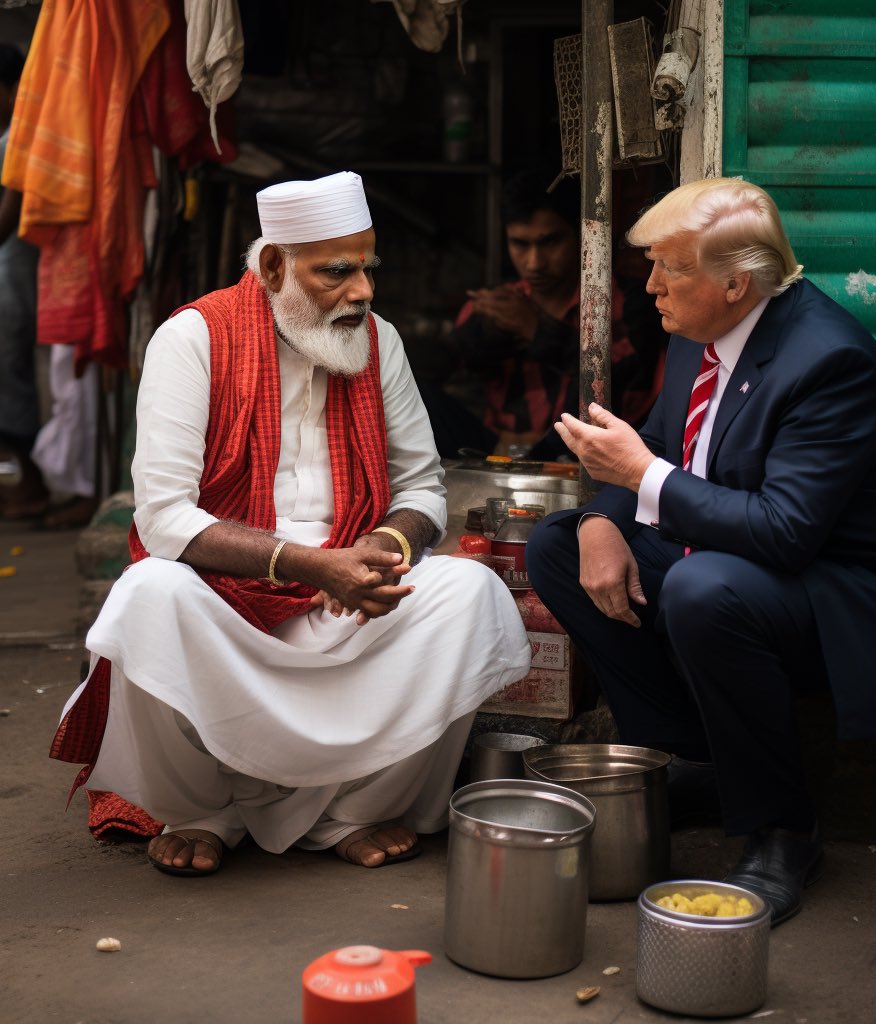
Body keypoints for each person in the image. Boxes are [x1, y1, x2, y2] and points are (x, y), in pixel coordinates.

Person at [50, 171, 533, 876]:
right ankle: (202, 813)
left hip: (349, 601)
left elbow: (423, 487)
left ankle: (352, 812)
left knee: (471, 594)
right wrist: (310, 565)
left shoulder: (380, 341)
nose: (362, 290)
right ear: (274, 266)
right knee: (147, 596)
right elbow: (163, 519)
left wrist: (383, 548)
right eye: (336, 271)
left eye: (367, 267)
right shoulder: (192, 339)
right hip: (225, 602)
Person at [525, 177, 876, 925]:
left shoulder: (829, 361)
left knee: (704, 588)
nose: (651, 284)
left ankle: (782, 828)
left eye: (670, 267)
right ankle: (695, 765)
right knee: (559, 544)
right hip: (749, 569)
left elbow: (783, 530)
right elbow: (667, 447)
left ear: (735, 284)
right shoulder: (703, 334)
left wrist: (637, 475)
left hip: (855, 598)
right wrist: (607, 515)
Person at [421, 169, 664, 459]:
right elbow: (460, 365)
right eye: (520, 244)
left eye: (549, 242)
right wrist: (488, 328)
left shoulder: (631, 302)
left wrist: (538, 329)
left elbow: (627, 388)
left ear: (582, 236)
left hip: (585, 457)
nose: (534, 263)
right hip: (497, 454)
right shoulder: (496, 305)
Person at [0, 44, 47, 520]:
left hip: (12, 274)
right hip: (8, 272)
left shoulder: (18, 139)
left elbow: (8, 216)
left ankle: (31, 484)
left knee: (10, 380)